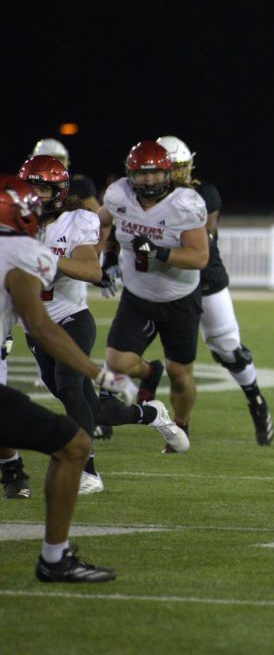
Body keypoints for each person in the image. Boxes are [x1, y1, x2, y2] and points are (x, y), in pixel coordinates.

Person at [16, 156, 189, 493]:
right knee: (90, 408)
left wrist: (46, 258)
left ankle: (88, 472)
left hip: (70, 319)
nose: (36, 197)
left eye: (43, 189)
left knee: (69, 387)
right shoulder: (13, 223)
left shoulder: (75, 221)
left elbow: (91, 271)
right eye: (31, 189)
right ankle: (150, 415)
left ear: (60, 192)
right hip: (35, 327)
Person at [0, 174, 139, 580]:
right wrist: (100, 374)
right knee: (74, 445)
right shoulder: (23, 253)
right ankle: (55, 558)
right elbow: (42, 328)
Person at [156, 135, 274, 444]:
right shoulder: (139, 197)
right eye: (171, 167)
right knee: (140, 349)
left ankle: (255, 398)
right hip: (164, 283)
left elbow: (203, 237)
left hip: (204, 279)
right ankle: (110, 412)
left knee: (227, 348)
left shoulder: (202, 194)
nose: (178, 174)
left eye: (181, 167)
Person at [97, 141, 209, 452]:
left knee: (181, 375)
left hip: (179, 298)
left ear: (168, 173)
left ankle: (180, 424)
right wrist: (107, 257)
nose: (148, 181)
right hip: (138, 296)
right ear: (129, 174)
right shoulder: (118, 195)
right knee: (115, 360)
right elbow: (104, 222)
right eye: (142, 175)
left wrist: (160, 251)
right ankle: (149, 372)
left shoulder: (184, 204)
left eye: (155, 174)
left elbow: (199, 257)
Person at [29, 138, 101, 213]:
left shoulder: (78, 185)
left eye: (61, 160)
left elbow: (98, 220)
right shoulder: (27, 188)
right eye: (53, 161)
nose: (58, 165)